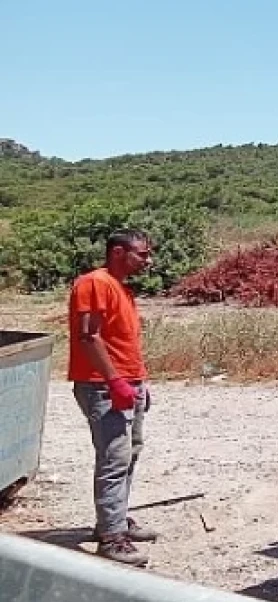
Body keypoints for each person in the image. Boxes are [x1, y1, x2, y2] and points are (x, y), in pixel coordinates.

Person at [67, 229, 159, 566]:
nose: (148, 260)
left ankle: (115, 520)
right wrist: (115, 381)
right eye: (142, 253)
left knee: (128, 454)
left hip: (125, 383)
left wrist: (139, 382)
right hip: (102, 386)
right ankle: (111, 538)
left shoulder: (120, 288)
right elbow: (89, 337)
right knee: (113, 459)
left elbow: (122, 341)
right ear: (118, 252)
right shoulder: (95, 283)